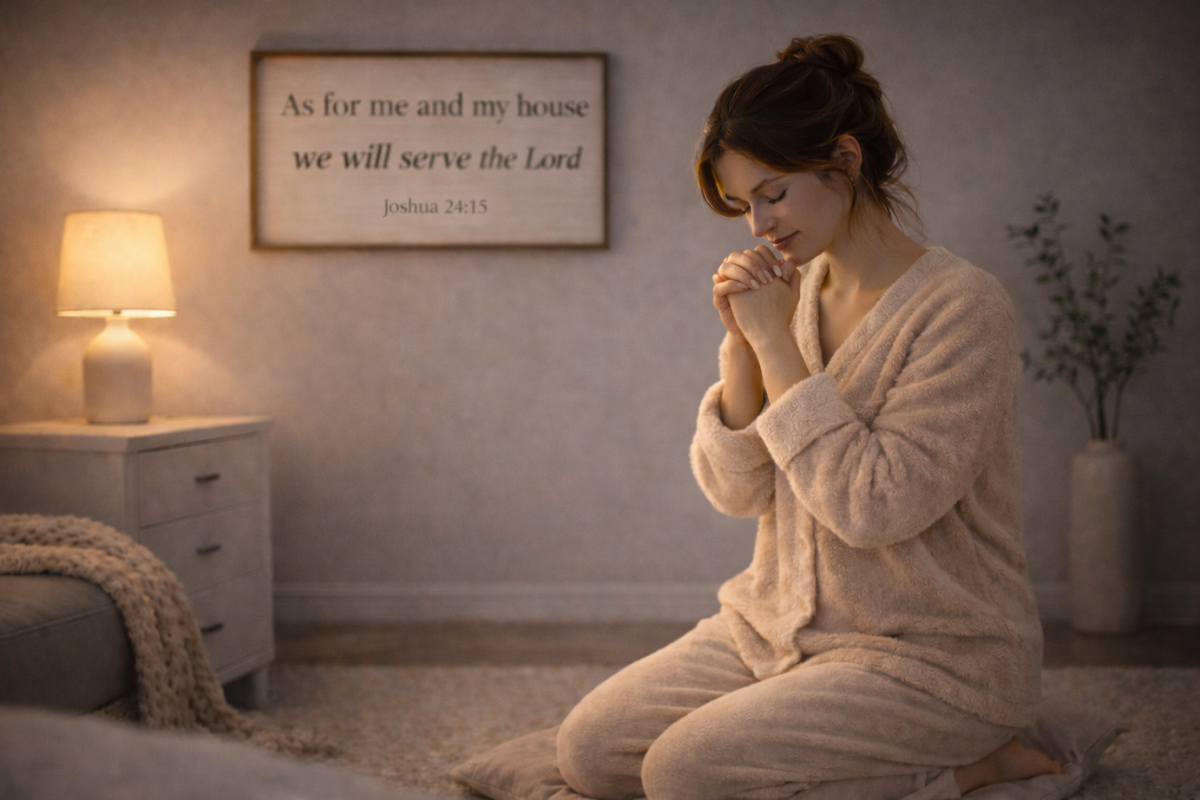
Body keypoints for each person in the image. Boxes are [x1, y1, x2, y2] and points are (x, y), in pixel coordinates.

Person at [555, 35, 1064, 800]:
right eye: (743, 204)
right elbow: (738, 496)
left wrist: (773, 343)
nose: (757, 223)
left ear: (846, 161)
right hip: (777, 627)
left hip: (931, 654)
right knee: (589, 753)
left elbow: (873, 506)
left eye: (773, 192)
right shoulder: (791, 293)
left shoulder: (963, 308)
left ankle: (975, 765)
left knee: (682, 774)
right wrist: (741, 355)